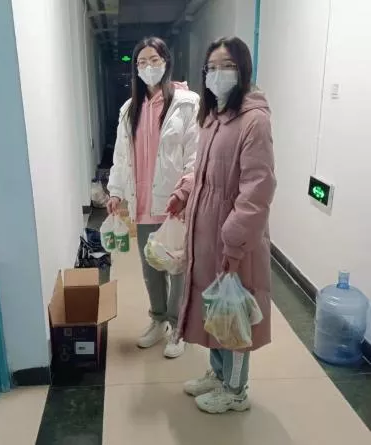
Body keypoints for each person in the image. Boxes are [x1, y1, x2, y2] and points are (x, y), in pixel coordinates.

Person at [167, 37, 276, 412]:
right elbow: (201, 170)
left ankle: (236, 390)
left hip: (234, 239)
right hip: (206, 233)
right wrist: (183, 192)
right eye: (211, 67)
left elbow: (257, 191)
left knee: (235, 312)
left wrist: (233, 242)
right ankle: (218, 373)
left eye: (226, 66)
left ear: (242, 69)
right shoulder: (213, 117)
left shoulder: (254, 121)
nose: (217, 74)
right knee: (214, 306)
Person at [107, 37, 199, 359]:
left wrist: (185, 192)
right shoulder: (129, 109)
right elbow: (121, 156)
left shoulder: (187, 104)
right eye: (142, 62)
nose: (148, 67)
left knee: (176, 266)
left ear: (166, 61)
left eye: (154, 60)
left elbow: (195, 154)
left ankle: (178, 326)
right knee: (151, 269)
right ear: (135, 68)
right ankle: (158, 319)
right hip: (143, 202)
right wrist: (116, 191)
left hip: (174, 204)